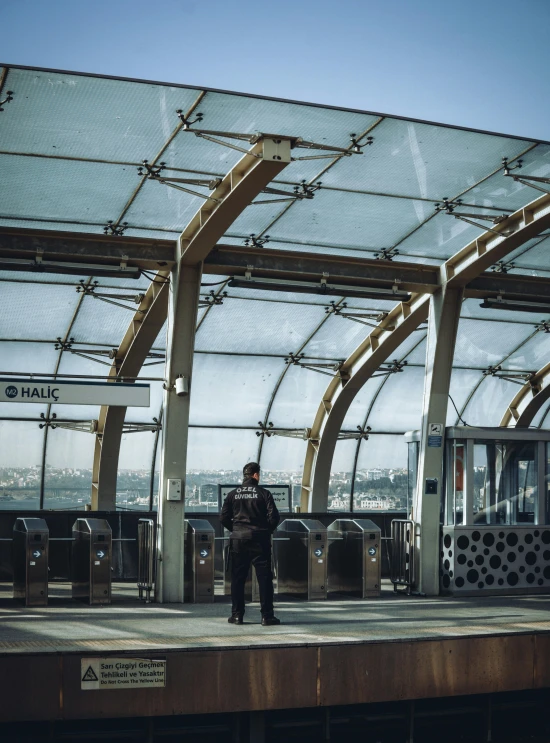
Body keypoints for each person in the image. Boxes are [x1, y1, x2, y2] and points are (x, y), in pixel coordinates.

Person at [220, 461, 281, 626]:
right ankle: (267, 616)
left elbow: (223, 517)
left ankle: (237, 615)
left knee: (238, 579)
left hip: (238, 540)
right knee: (264, 579)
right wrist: (265, 530)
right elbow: (274, 517)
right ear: (256, 475)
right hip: (259, 540)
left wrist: (236, 529)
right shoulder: (264, 493)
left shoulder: (233, 494)